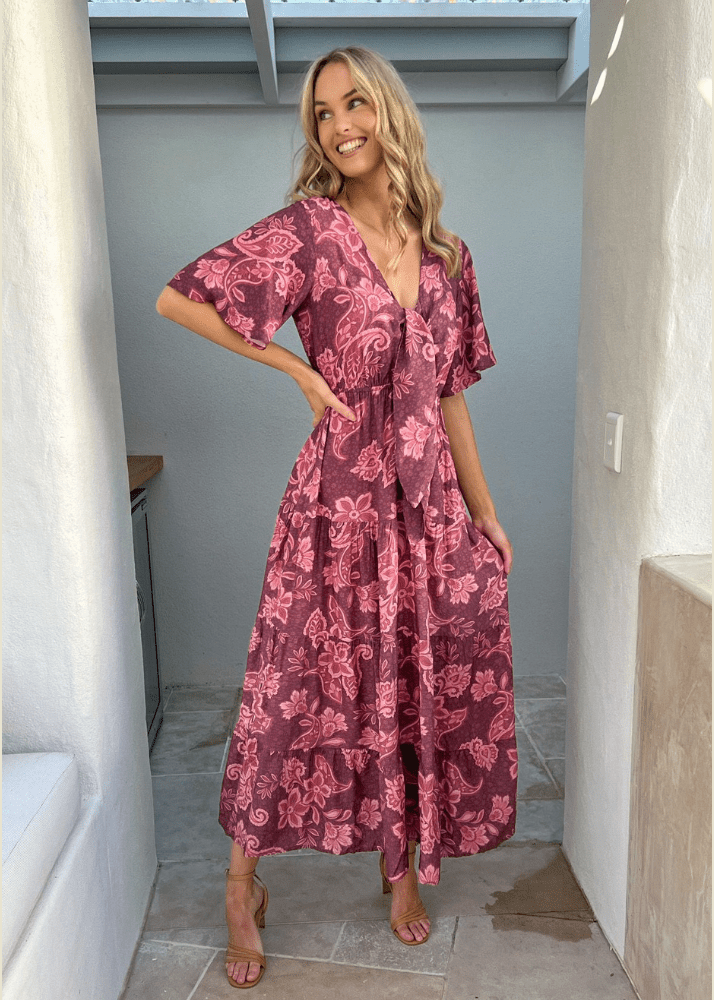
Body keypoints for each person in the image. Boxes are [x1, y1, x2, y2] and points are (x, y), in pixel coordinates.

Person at [156, 45, 517, 990]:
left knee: (409, 680)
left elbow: (451, 400)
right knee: (292, 686)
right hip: (338, 499)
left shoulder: (447, 254)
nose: (341, 124)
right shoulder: (309, 230)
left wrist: (486, 513)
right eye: (322, 112)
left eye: (356, 103)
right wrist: (299, 369)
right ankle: (243, 885)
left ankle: (401, 869)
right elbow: (178, 298)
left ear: (388, 110)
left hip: (428, 503)